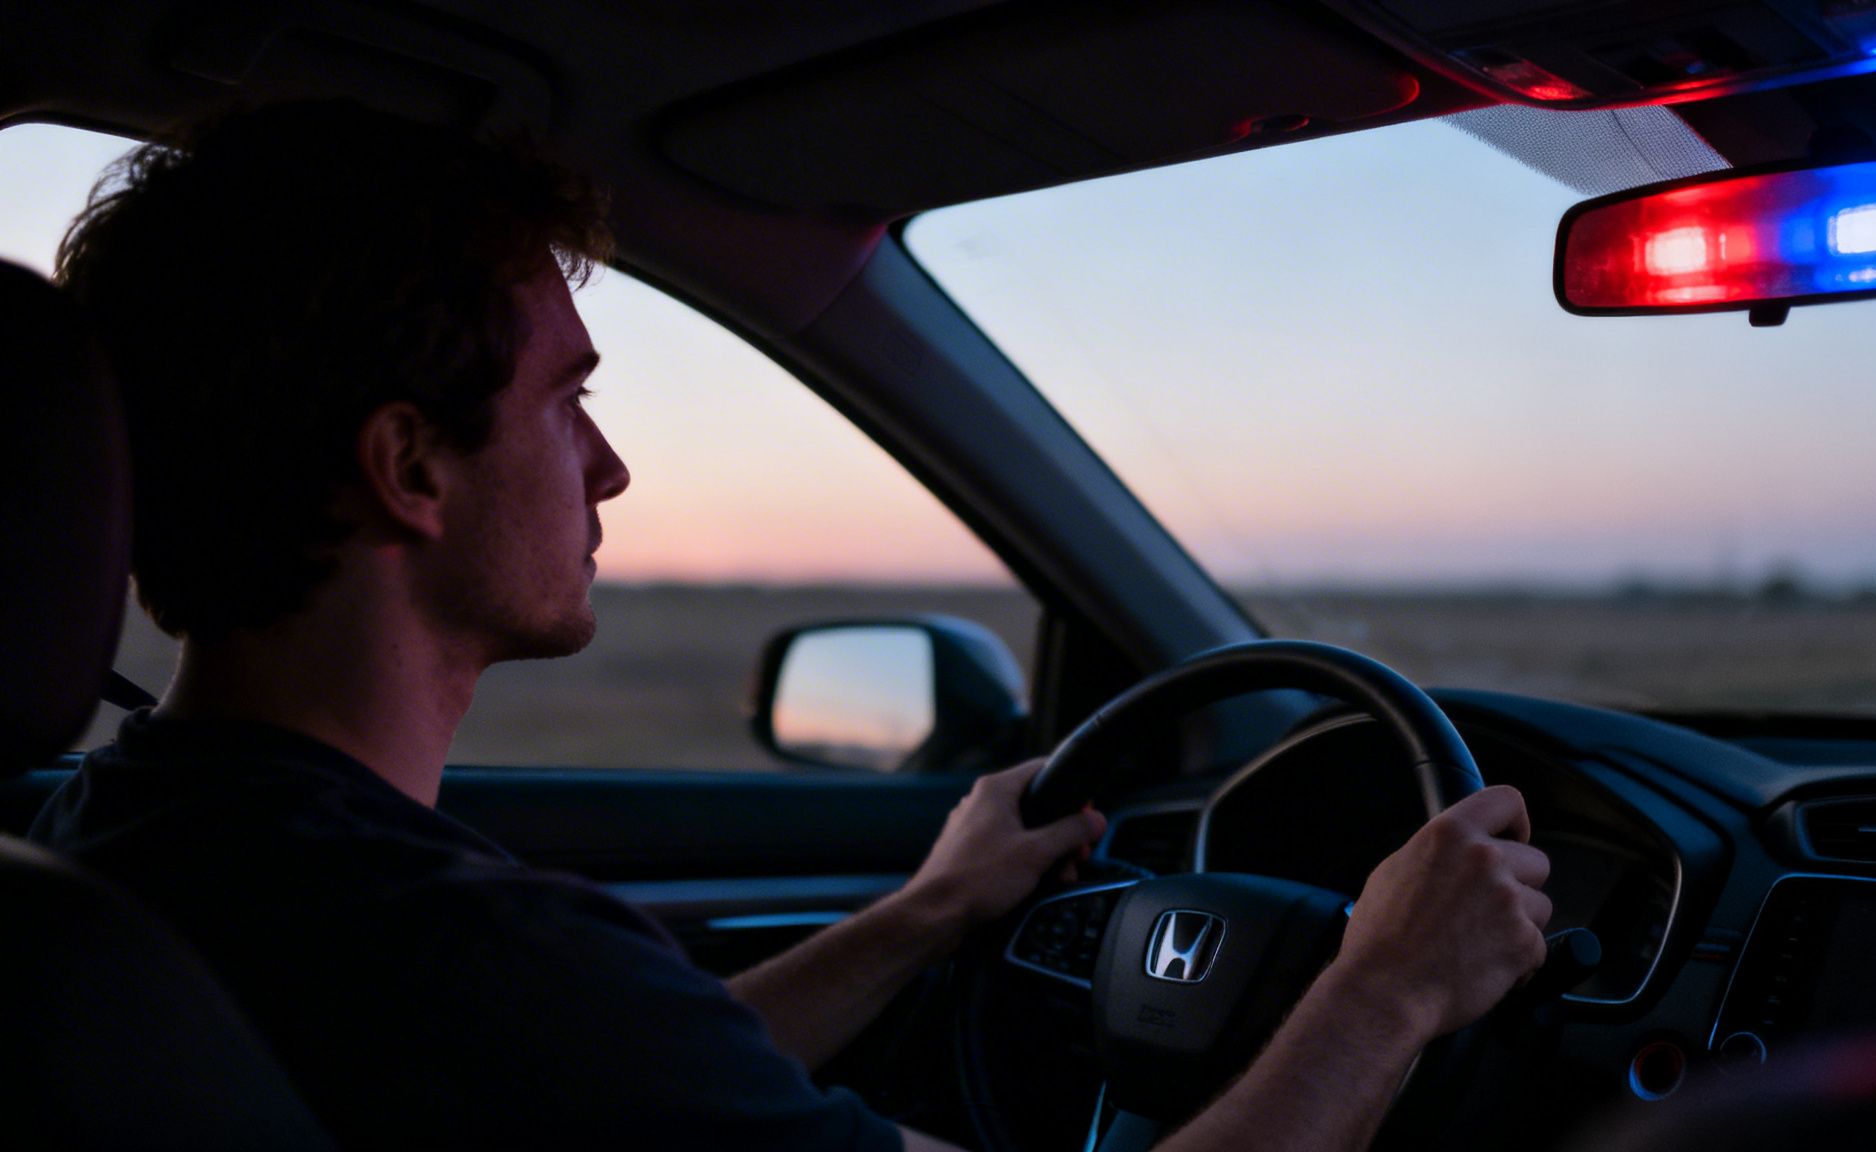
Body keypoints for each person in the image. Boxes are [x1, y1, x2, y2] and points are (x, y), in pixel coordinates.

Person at [30, 101, 1551, 1150]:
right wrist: (1386, 992)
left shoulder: (129, 854)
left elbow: (633, 1088)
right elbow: (583, 1048)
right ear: (412, 467)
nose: (610, 464)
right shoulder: (452, 956)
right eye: (569, 401)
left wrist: (924, 914)